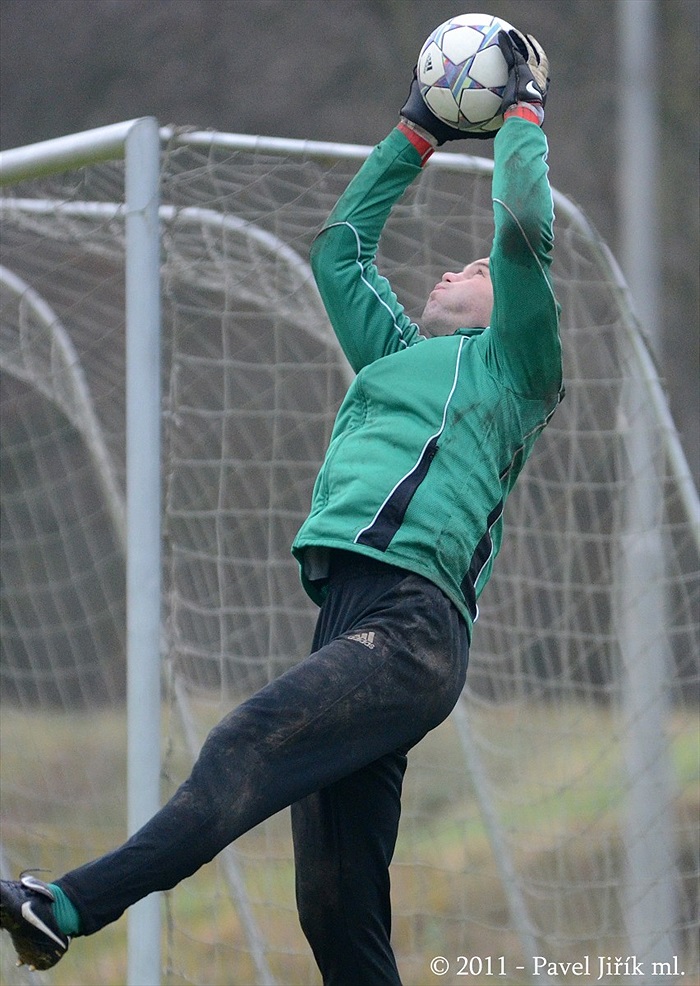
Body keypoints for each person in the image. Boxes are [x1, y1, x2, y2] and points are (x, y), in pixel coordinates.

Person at [0, 28, 561, 986]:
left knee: (242, 746)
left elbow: (515, 226)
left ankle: (64, 907)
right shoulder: (392, 357)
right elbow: (339, 251)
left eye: (467, 269)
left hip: (412, 626)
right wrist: (418, 129)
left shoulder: (517, 364)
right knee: (336, 908)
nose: (452, 270)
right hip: (351, 619)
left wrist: (522, 111)